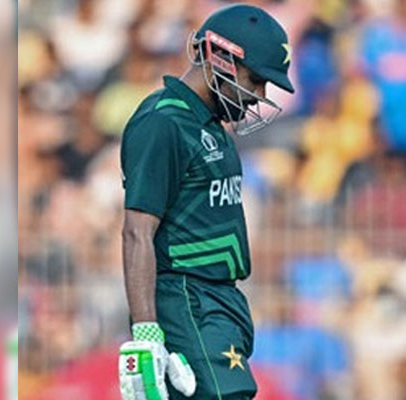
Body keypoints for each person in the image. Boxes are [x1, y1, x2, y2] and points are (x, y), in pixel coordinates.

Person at [117, 4, 294, 400]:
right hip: (186, 299)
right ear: (221, 58)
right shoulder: (162, 121)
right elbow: (136, 231)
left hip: (221, 300)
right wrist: (146, 334)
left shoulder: (209, 124)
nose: (259, 96)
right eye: (257, 80)